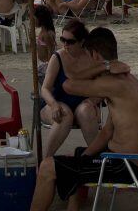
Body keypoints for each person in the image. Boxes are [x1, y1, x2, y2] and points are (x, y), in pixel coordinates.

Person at [0, 27, 138, 211]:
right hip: (131, 160)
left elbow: (68, 84)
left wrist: (103, 66)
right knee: (77, 155)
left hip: (123, 166)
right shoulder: (127, 82)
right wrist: (84, 157)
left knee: (47, 167)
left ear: (96, 56)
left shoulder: (111, 83)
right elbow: (108, 130)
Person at [39, 19, 99, 158]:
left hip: (82, 104)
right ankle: (46, 161)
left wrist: (93, 100)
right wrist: (53, 104)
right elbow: (45, 89)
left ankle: (97, 161)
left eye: (70, 41)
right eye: (62, 39)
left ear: (82, 42)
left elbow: (102, 87)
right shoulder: (57, 57)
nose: (65, 45)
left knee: (86, 110)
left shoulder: (92, 58)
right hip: (55, 103)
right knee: (64, 115)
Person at [34, 4, 57, 81]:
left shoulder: (47, 34)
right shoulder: (42, 31)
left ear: (40, 19)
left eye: (35, 19)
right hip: (42, 63)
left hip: (47, 65)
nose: (34, 21)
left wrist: (49, 69)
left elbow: (50, 52)